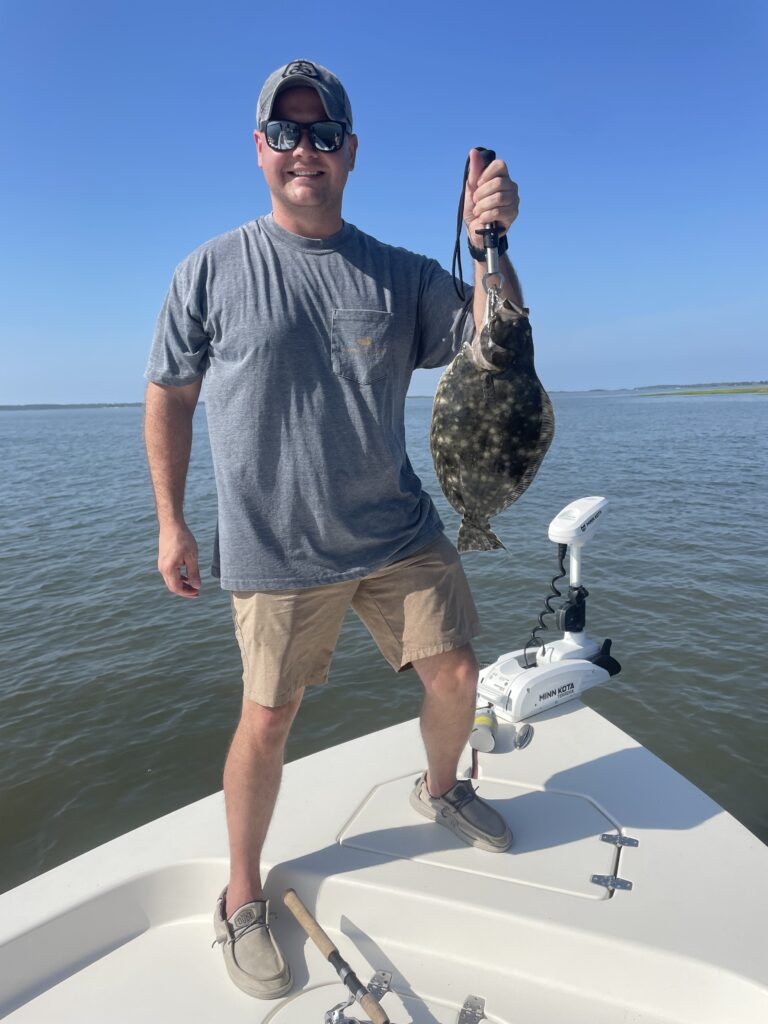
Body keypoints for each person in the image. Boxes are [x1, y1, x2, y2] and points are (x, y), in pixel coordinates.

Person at [144, 59, 524, 1000]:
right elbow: (169, 397)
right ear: (262, 150)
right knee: (268, 720)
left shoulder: (398, 273)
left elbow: (495, 337)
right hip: (275, 547)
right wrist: (170, 522)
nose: (304, 149)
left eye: (323, 134)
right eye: (286, 133)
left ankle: (439, 789)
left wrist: (491, 240)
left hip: (398, 528)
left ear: (350, 153)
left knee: (461, 674)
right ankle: (240, 896)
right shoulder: (210, 269)